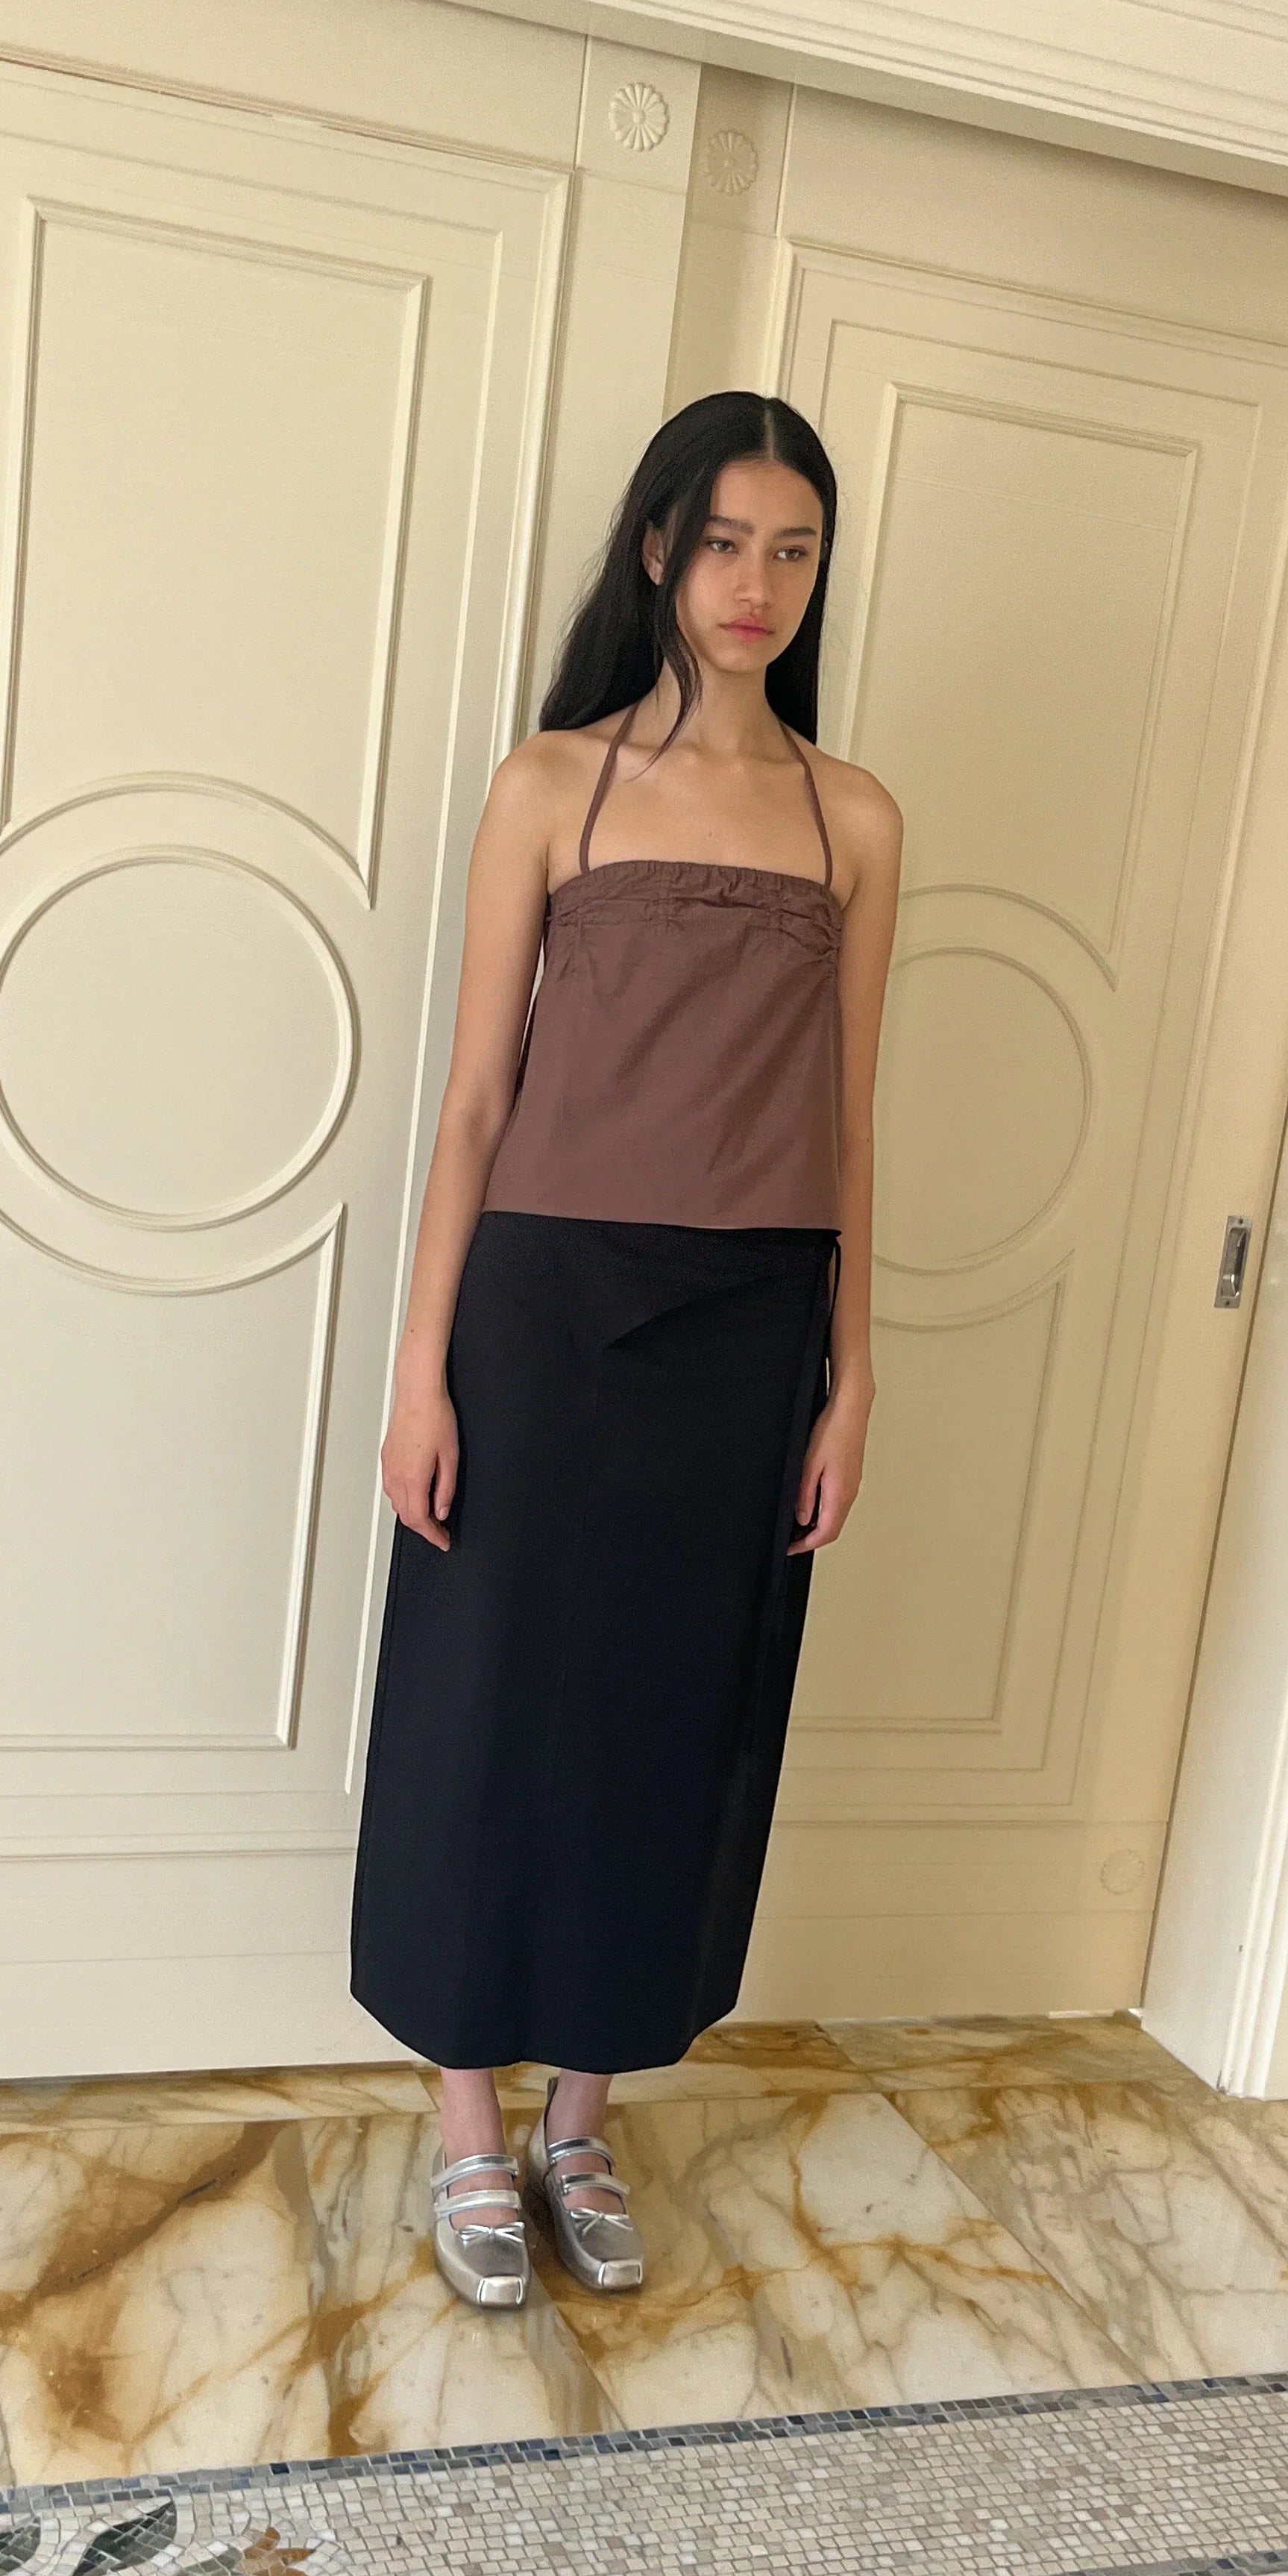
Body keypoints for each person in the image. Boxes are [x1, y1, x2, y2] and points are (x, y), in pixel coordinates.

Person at [348, 391, 902, 2308]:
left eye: (795, 550)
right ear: (660, 548)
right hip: (546, 1307)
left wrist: (851, 1373)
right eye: (727, 541)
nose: (758, 584)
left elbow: (851, 1116)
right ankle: (467, 2126)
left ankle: (582, 2116)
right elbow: (474, 1102)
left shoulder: (853, 818)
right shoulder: (551, 786)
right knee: (489, 1701)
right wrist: (422, 1369)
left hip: (750, 1329)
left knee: (676, 1716)